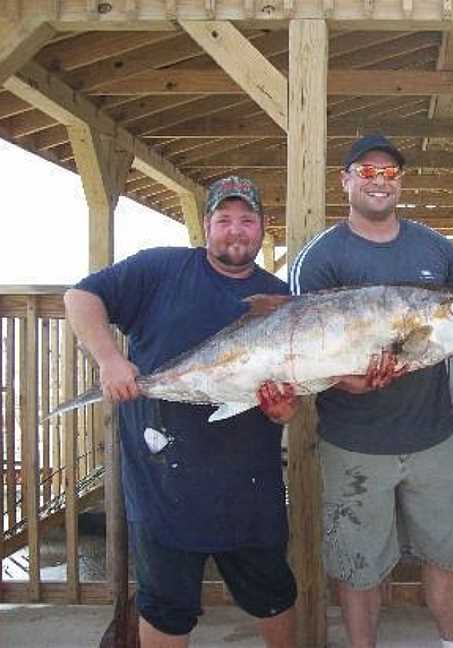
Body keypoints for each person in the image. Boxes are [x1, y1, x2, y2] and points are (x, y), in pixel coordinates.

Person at [64, 176, 300, 648]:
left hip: (248, 487)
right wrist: (110, 359)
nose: (236, 231)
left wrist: (282, 411)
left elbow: (285, 403)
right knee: (166, 607)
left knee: (274, 594)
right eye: (224, 220)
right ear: (206, 226)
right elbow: (80, 297)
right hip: (161, 482)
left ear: (262, 227)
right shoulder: (159, 270)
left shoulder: (279, 300)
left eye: (247, 220)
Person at [289, 134, 453, 648]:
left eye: (389, 173)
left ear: (400, 183)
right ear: (345, 180)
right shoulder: (319, 258)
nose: (379, 181)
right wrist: (344, 380)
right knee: (357, 567)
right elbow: (297, 347)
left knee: (450, 555)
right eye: (367, 172)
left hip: (434, 438)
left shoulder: (436, 250)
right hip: (353, 444)